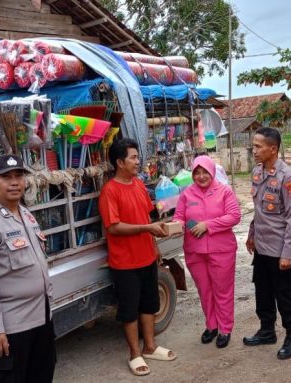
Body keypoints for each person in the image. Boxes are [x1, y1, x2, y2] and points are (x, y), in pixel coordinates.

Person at [0, 154, 56, 383]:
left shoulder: (25, 214)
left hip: (41, 319)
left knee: (42, 376)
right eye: (6, 177)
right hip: (11, 328)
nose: (15, 182)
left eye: (19, 176)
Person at [99, 138, 176, 377]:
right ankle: (135, 354)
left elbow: (146, 217)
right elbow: (113, 227)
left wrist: (154, 245)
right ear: (120, 162)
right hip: (125, 263)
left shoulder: (139, 185)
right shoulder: (109, 191)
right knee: (129, 311)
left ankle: (150, 346)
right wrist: (147, 229)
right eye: (133, 157)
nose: (137, 161)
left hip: (146, 256)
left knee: (149, 305)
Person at [243, 127, 291, 360]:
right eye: (254, 146)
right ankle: (267, 330)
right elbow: (259, 210)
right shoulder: (257, 171)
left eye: (258, 146)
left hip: (280, 250)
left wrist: (288, 254)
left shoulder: (287, 177)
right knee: (263, 292)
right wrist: (251, 234)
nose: (254, 150)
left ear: (273, 149)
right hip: (262, 246)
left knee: (285, 295)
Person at [173, 156, 241, 348]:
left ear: (212, 172)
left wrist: (207, 225)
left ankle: (225, 328)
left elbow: (234, 216)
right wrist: (176, 224)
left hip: (221, 250)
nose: (201, 176)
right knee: (204, 290)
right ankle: (211, 325)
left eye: (205, 172)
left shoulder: (224, 192)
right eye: (197, 172)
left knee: (223, 290)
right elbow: (179, 216)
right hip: (195, 252)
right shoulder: (187, 194)